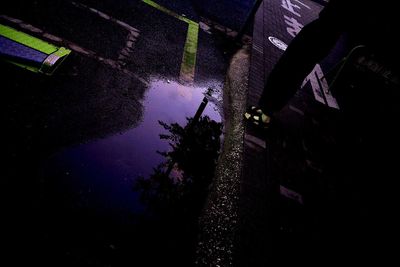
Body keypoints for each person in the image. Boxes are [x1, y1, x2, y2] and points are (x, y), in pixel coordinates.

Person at [244, 0, 399, 128]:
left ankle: (265, 114)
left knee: (291, 68)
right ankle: (266, 111)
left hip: (325, 29)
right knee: (294, 68)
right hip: (327, 31)